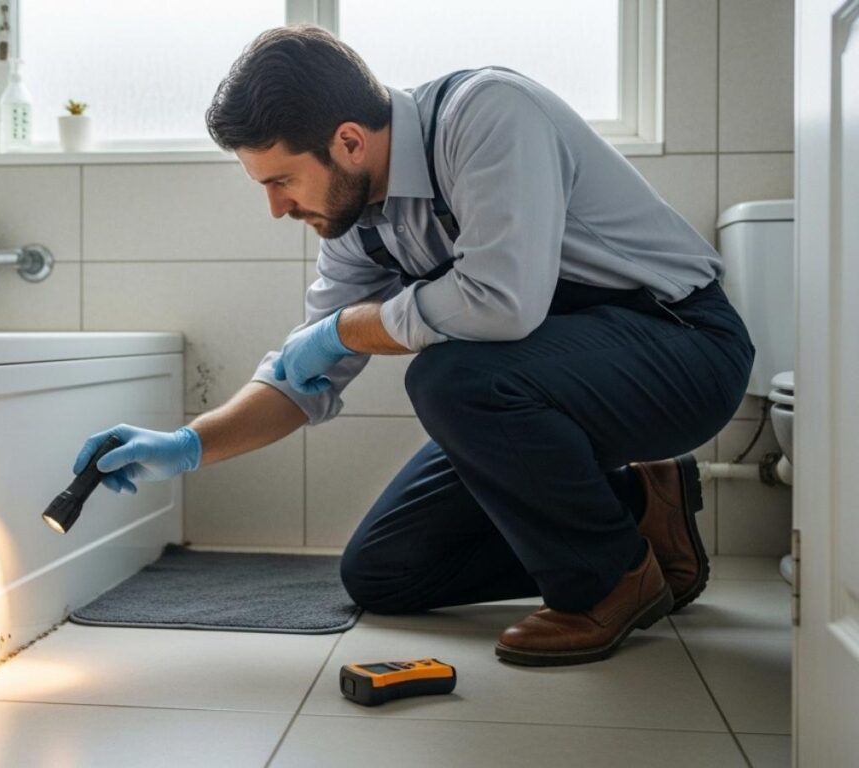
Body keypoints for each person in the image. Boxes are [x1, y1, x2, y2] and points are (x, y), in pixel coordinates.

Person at [72, 24, 754, 666]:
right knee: (383, 571)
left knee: (450, 378)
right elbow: (300, 375)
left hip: (683, 350)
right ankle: (644, 514)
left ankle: (607, 581)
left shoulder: (487, 115)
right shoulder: (355, 220)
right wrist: (187, 446)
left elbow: (502, 302)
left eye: (280, 181)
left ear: (347, 141)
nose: (276, 208)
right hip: (554, 378)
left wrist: (342, 330)